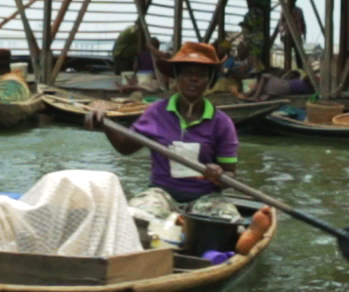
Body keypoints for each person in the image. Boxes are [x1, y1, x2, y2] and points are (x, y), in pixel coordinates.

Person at [86, 41, 241, 220]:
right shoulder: (156, 112)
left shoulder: (222, 123)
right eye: (188, 73)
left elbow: (231, 175)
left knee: (228, 220)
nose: (194, 79)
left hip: (205, 196)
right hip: (161, 193)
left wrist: (219, 175)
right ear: (177, 77)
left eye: (202, 75)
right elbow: (126, 148)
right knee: (134, 216)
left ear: (210, 81)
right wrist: (105, 123)